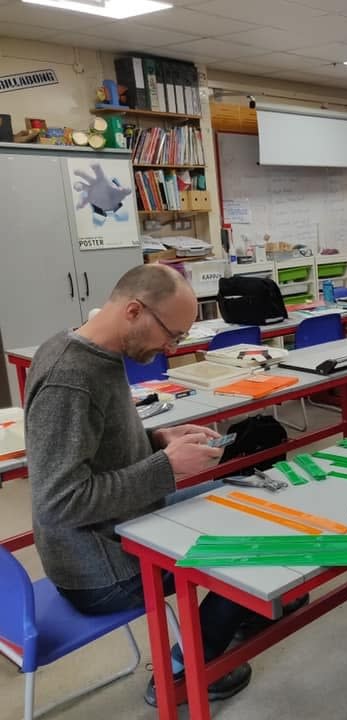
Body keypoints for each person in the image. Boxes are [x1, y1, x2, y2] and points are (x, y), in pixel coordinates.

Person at [25, 264, 254, 706]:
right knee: (249, 547)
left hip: (124, 525)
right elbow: (60, 501)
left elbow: (98, 448)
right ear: (134, 310)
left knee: (241, 497)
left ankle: (233, 614)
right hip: (100, 570)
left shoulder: (98, 351)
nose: (171, 346)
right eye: (171, 334)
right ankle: (183, 673)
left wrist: (155, 440)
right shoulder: (69, 379)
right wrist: (165, 467)